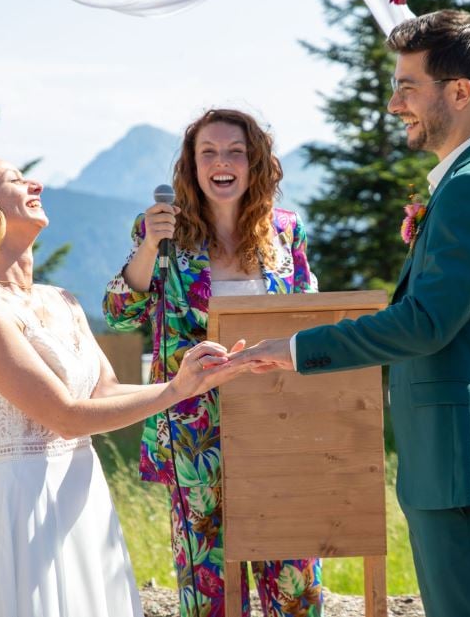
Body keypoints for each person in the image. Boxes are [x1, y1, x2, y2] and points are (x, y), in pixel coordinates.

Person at [233, 10, 470, 617]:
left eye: (407, 86)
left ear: (459, 92)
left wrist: (295, 350)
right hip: (460, 466)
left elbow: (426, 322)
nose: (392, 103)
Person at [0, 153, 251, 617]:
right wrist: (177, 391)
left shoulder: (62, 300)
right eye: (16, 180)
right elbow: (64, 417)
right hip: (30, 501)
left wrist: (195, 379)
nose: (34, 184)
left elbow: (105, 394)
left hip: (84, 490)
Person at [102, 108, 323, 617]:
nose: (221, 162)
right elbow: (119, 314)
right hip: (193, 432)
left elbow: (310, 313)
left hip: (279, 424)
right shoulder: (162, 231)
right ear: (192, 165)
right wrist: (151, 245)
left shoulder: (287, 232)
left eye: (235, 152)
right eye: (208, 152)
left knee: (295, 578)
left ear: (255, 163)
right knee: (209, 589)